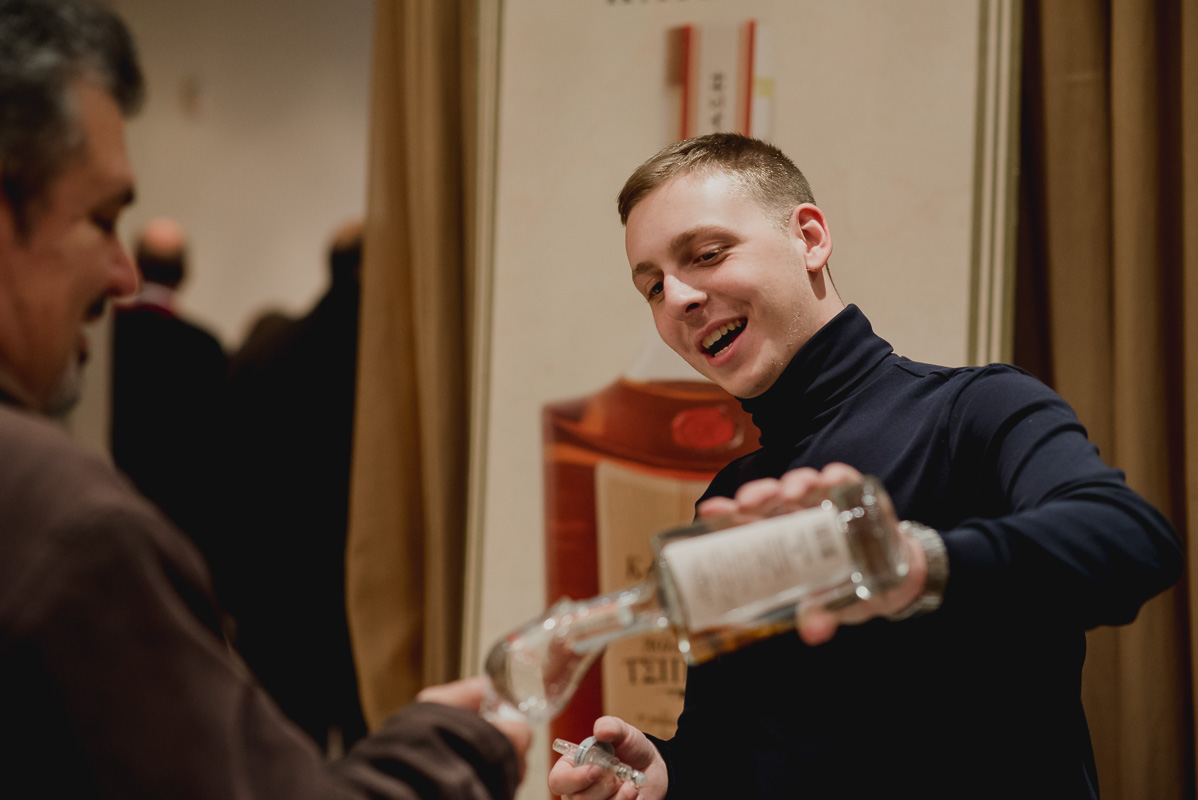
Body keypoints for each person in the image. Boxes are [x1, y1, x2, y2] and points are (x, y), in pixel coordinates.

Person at [547, 133, 1183, 799]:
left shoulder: (975, 409)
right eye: (653, 287)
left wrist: (913, 565)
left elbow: (1132, 542)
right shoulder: (731, 496)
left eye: (706, 255)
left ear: (810, 239)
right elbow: (735, 751)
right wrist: (663, 779)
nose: (677, 297)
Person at [0, 1, 529, 798]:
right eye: (102, 219)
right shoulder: (69, 530)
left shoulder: (263, 348)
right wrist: (453, 747)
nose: (123, 275)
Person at [221, 220, 368, 754]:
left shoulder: (269, 351)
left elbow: (229, 478)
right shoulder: (383, 364)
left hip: (275, 595)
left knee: (287, 758)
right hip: (351, 595)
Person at [110, 217, 228, 561]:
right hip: (182, 517)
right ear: (184, 273)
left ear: (136, 265)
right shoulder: (203, 347)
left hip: (114, 494)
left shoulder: (110, 338)